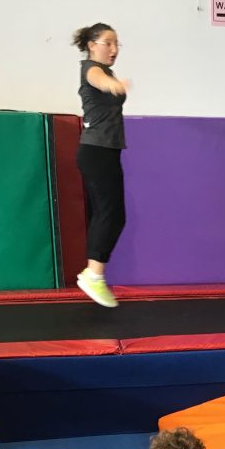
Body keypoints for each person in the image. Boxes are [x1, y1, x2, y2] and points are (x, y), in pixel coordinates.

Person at [71, 22, 128, 308]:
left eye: (117, 44)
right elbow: (97, 79)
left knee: (108, 213)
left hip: (104, 151)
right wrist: (112, 84)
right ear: (93, 44)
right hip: (96, 150)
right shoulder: (91, 69)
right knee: (112, 214)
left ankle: (92, 273)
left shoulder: (108, 70)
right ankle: (94, 274)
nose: (114, 49)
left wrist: (113, 81)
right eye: (108, 42)